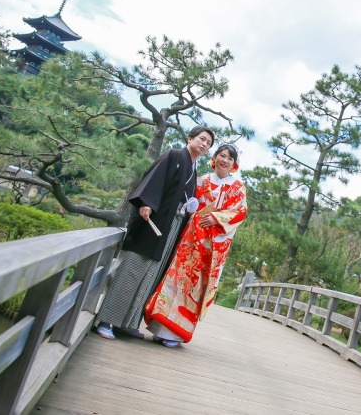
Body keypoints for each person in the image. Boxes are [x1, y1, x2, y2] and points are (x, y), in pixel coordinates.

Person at [95, 125, 215, 341]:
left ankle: (129, 322)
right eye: (202, 139)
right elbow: (153, 180)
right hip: (153, 222)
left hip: (171, 226)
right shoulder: (174, 156)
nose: (205, 144)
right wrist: (146, 203)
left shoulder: (193, 168)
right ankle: (106, 320)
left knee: (151, 275)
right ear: (190, 138)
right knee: (132, 268)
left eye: (208, 143)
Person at [144, 143, 247, 347]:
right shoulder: (202, 180)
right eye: (221, 155)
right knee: (175, 278)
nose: (224, 161)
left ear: (234, 165)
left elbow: (240, 212)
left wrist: (216, 218)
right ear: (215, 158)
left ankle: (176, 334)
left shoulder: (237, 187)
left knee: (194, 287)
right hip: (189, 238)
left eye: (229, 159)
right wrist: (192, 210)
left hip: (211, 245)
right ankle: (159, 327)